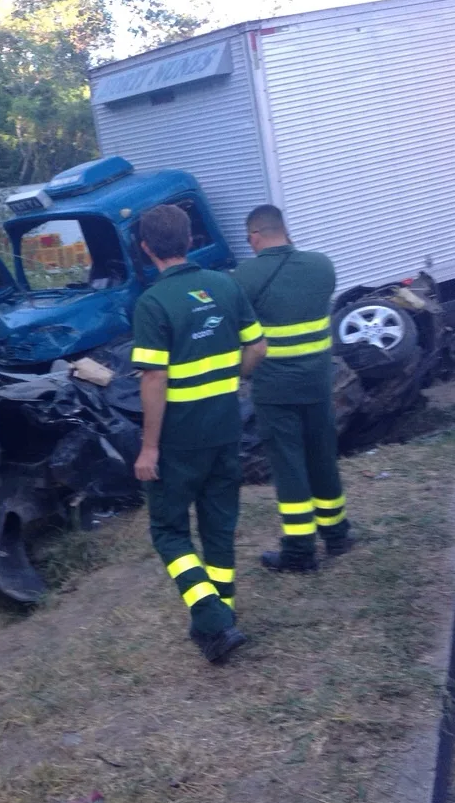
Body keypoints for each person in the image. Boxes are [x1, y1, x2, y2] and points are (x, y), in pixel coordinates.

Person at [131, 204, 267, 662]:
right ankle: (221, 622)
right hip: (225, 427)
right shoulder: (226, 285)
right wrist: (233, 379)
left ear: (145, 248)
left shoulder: (153, 303)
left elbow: (153, 380)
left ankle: (211, 619)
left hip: (179, 438)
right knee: (219, 526)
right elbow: (258, 346)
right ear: (190, 240)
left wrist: (149, 448)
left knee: (169, 531)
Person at [232, 205, 351, 572]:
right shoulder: (321, 266)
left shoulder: (244, 276)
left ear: (254, 236)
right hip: (318, 383)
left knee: (289, 467)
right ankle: (337, 536)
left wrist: (241, 374)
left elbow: (244, 334)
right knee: (322, 458)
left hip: (274, 389)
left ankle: (299, 552)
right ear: (285, 229)